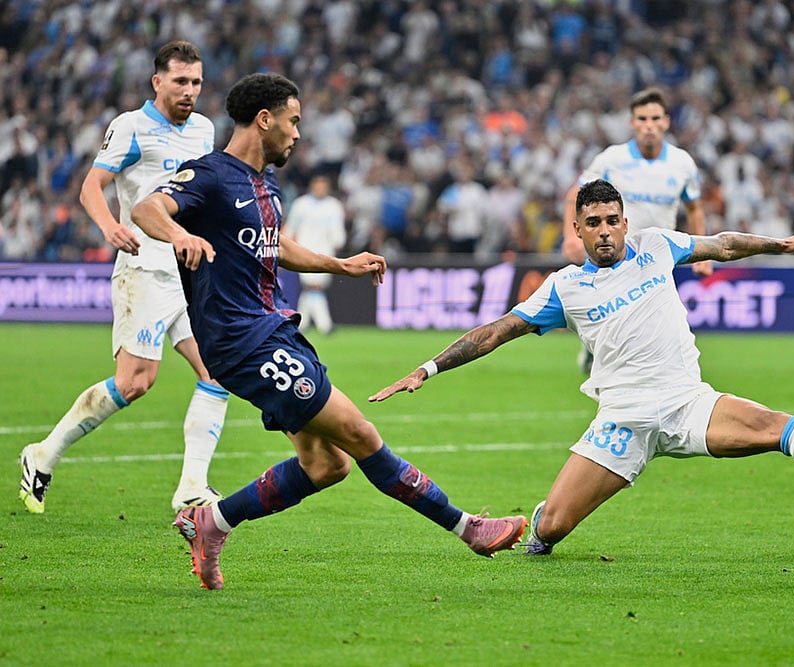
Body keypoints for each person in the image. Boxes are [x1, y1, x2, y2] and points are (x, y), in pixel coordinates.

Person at [370, 179, 794, 557]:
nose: (607, 230)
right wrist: (427, 368)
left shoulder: (656, 245)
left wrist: (776, 245)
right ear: (578, 230)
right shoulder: (564, 287)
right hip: (622, 419)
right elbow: (495, 332)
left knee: (771, 427)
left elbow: (723, 244)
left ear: (624, 220)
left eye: (613, 220)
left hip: (688, 401)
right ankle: (539, 526)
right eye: (594, 223)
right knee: (552, 529)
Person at [131, 72, 526, 590]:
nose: (298, 134)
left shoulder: (265, 184)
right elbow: (146, 208)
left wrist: (340, 266)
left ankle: (212, 521)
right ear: (265, 119)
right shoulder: (208, 175)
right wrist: (181, 234)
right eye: (293, 122)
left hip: (275, 333)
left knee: (326, 465)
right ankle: (467, 526)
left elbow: (277, 246)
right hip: (241, 341)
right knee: (361, 434)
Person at [19, 41, 229, 515]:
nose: (190, 91)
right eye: (180, 81)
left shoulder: (203, 130)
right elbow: (91, 186)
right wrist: (111, 226)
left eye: (196, 82)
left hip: (189, 273)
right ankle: (43, 453)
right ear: (158, 82)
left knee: (218, 370)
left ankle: (192, 486)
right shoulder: (132, 126)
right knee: (135, 383)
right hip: (145, 269)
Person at [562, 87, 713, 373]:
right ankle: (598, 350)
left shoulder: (682, 163)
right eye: (642, 119)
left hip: (657, 255)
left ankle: (655, 373)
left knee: (656, 320)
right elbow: (575, 194)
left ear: (667, 122)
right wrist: (571, 236)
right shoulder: (612, 159)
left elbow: (694, 208)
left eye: (655, 118)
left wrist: (702, 253)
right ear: (631, 123)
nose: (649, 126)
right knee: (615, 313)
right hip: (616, 251)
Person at [284, 173, 347, 335]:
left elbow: (338, 233)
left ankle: (302, 323)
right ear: (312, 187)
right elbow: (291, 229)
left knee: (312, 289)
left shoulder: (334, 206)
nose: (321, 189)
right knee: (313, 287)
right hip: (304, 251)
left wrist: (338, 243)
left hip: (326, 252)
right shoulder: (301, 205)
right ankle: (325, 326)